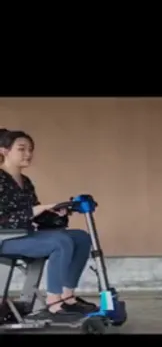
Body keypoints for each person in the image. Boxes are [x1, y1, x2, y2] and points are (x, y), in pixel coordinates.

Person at [0, 128, 97, 322]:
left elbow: (37, 218)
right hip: (5, 238)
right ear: (4, 151)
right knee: (59, 241)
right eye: (21, 149)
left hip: (24, 234)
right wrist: (36, 210)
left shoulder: (25, 181)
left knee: (81, 237)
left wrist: (56, 214)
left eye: (30, 149)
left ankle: (67, 297)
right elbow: (11, 217)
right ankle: (54, 303)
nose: (28, 154)